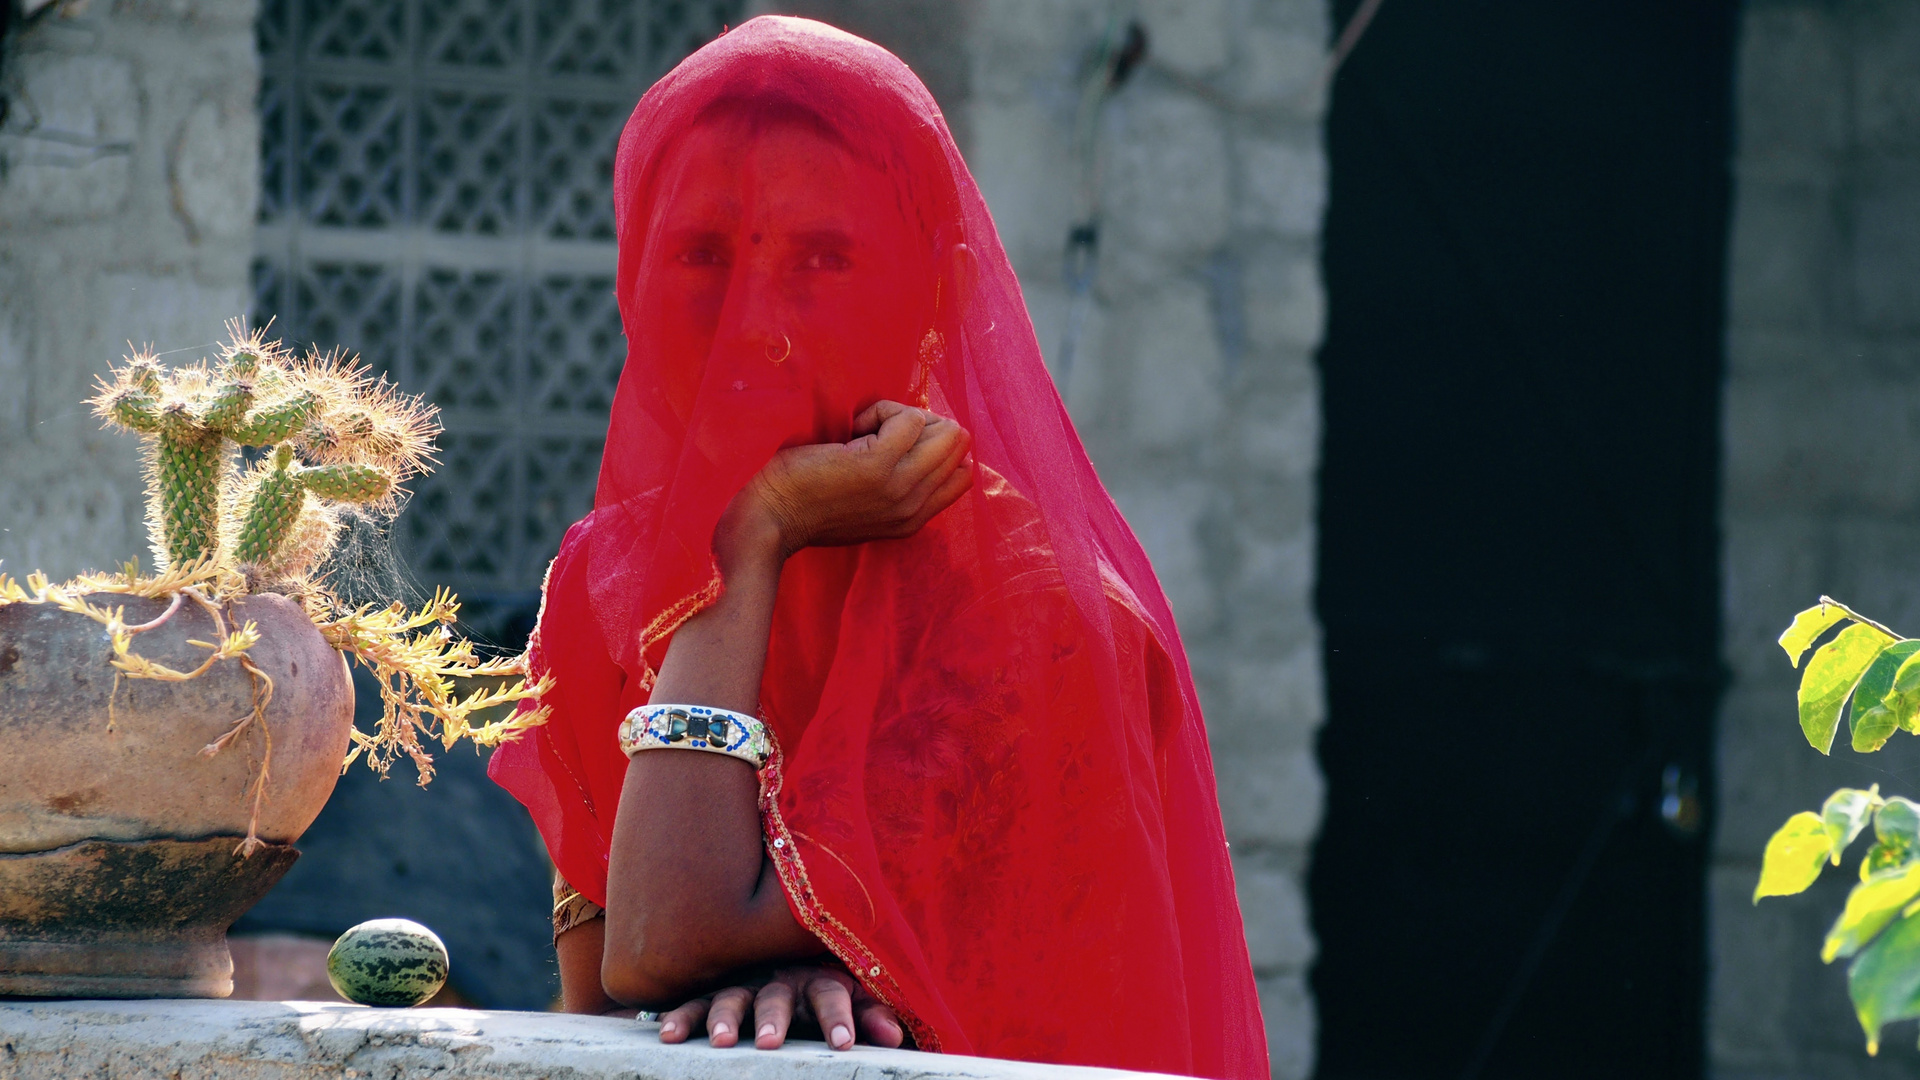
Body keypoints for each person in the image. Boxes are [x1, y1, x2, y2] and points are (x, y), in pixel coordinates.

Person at [487, 16, 1268, 1079]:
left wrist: (755, 530)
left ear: (927, 286)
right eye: (701, 254)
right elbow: (604, 1012)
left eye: (824, 257)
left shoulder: (1038, 618)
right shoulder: (604, 583)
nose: (754, 318)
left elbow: (663, 941)